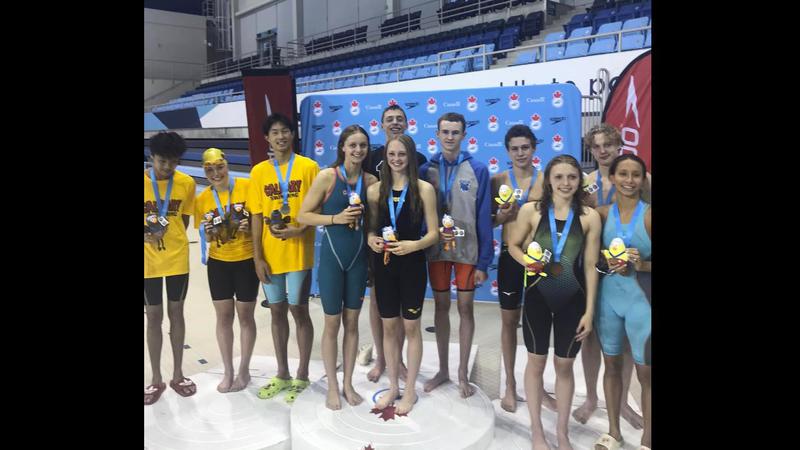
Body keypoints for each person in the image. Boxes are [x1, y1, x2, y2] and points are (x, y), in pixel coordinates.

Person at [507, 154, 602, 450]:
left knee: (564, 365)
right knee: (536, 363)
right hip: (537, 298)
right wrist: (527, 262)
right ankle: (536, 429)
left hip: (573, 301)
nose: (565, 183)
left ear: (579, 181)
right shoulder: (532, 211)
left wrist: (589, 311)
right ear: (548, 180)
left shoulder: (589, 217)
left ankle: (562, 432)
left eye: (572, 177)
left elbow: (590, 267)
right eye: (558, 177)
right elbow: (513, 245)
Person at [572, 124, 649, 427]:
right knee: (589, 336)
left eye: (608, 144)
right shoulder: (585, 182)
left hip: (629, 273)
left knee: (626, 340)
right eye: (596, 146)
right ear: (590, 150)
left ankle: (622, 402)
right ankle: (592, 397)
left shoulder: (639, 177)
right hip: (592, 265)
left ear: (619, 145)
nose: (602, 150)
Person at [298, 124, 379, 410]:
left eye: (363, 145)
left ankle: (348, 383)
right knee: (332, 324)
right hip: (332, 261)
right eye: (352, 145)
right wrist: (335, 219)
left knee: (352, 324)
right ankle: (332, 385)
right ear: (342, 147)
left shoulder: (371, 181)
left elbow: (373, 224)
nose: (358, 150)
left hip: (358, 261)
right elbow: (303, 215)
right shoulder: (327, 177)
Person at [419, 112, 492, 398]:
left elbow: (484, 217)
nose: (450, 137)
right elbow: (419, 213)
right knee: (440, 308)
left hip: (467, 250)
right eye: (445, 132)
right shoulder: (426, 170)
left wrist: (484, 261)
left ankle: (462, 371)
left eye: (455, 132)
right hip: (436, 250)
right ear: (437, 134)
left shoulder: (478, 169)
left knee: (465, 308)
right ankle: (443, 370)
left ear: (464, 135)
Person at [365, 134, 438, 414]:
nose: (396, 159)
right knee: (389, 327)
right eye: (392, 154)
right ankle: (393, 386)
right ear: (385, 157)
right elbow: (371, 230)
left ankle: (409, 390)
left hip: (412, 266)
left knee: (411, 328)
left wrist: (413, 245)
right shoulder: (375, 191)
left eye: (402, 154)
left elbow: (433, 234)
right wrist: (371, 240)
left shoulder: (424, 190)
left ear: (411, 157)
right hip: (384, 266)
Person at [249, 113, 318, 404]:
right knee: (276, 312)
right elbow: (256, 216)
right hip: (270, 256)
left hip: (299, 254)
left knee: (299, 311)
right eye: (275, 132)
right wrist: (257, 257)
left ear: (292, 134)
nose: (280, 136)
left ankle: (302, 374)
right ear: (267, 138)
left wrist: (300, 229)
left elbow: (317, 210)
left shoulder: (308, 167)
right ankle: (282, 373)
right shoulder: (258, 172)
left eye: (285, 131)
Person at [360, 104, 427, 383]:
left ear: (407, 123)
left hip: (408, 247)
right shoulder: (371, 157)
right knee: (378, 303)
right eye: (390, 119)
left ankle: (398, 360)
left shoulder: (419, 158)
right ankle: (382, 358)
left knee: (404, 312)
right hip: (380, 244)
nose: (395, 123)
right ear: (382, 124)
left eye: (400, 119)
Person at [592, 154, 651, 450]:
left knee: (646, 372)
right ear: (612, 178)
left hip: (642, 303)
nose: (629, 180)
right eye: (623, 174)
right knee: (611, 365)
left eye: (635, 174)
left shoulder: (649, 215)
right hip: (608, 301)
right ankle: (614, 432)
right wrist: (605, 261)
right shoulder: (601, 214)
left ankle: (648, 437)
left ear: (643, 179)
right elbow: (590, 260)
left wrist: (642, 265)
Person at [490, 124, 548, 413]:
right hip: (509, 259)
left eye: (525, 147)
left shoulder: (546, 180)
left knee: (539, 323)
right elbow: (487, 222)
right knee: (509, 322)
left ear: (534, 148)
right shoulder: (498, 180)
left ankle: (538, 387)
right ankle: (510, 385)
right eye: (515, 148)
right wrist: (502, 217)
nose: (521, 153)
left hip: (539, 260)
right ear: (508, 151)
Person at [194, 148, 259, 393]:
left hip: (246, 260)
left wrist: (249, 226)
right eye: (209, 169)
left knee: (245, 316)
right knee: (223, 317)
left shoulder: (247, 187)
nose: (215, 173)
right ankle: (228, 371)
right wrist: (210, 233)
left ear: (227, 165)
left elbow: (259, 222)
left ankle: (244, 370)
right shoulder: (203, 199)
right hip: (219, 263)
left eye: (219, 167)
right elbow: (205, 233)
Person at [144, 131, 197, 405]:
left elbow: (184, 221)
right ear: (151, 157)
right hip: (148, 262)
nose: (167, 167)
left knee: (177, 313)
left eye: (173, 161)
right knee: (153, 317)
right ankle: (156, 378)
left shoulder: (186, 183)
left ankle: (178, 374)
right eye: (162, 161)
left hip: (177, 259)